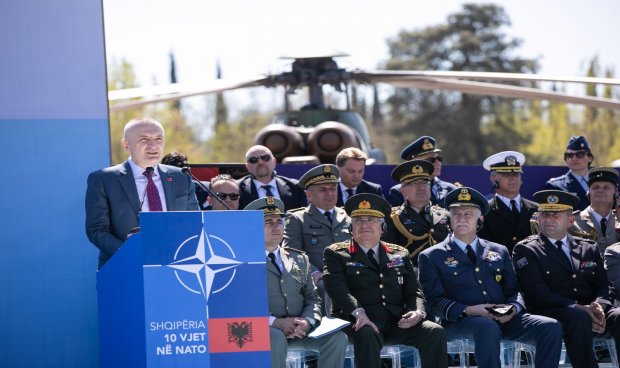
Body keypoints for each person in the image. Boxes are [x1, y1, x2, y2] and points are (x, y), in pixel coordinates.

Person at [418, 187, 562, 368]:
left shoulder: (498, 250)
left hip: (503, 318)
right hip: (460, 322)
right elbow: (434, 302)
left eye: (468, 214)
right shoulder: (431, 255)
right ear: (449, 219)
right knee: (486, 327)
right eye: (456, 214)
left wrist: (513, 308)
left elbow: (514, 289)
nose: (462, 218)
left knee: (550, 326)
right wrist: (470, 310)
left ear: (480, 219)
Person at [323, 193, 447, 368]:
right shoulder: (336, 253)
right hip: (358, 322)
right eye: (359, 220)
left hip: (397, 322)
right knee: (366, 334)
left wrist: (417, 312)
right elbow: (336, 287)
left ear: (383, 227)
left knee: (434, 332)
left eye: (372, 219)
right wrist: (357, 312)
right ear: (351, 227)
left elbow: (414, 290)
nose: (365, 224)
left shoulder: (399, 253)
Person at [513, 190, 620, 368]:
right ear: (538, 219)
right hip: (553, 310)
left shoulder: (588, 247)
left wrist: (600, 306)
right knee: (578, 317)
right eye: (545, 214)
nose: (548, 219)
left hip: (589, 309)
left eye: (556, 215)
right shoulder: (526, 249)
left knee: (618, 315)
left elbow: (604, 285)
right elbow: (536, 292)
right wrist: (577, 307)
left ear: (570, 220)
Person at [244, 196, 347, 368]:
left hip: (300, 329)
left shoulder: (298, 258)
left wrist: (307, 321)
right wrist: (275, 322)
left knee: (336, 338)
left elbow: (312, 297)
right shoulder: (244, 262)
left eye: (279, 221)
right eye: (268, 222)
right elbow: (242, 305)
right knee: (275, 338)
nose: (276, 226)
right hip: (264, 329)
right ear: (252, 227)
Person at [85, 117, 199, 268]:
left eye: (159, 139)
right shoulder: (104, 179)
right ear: (126, 145)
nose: (153, 145)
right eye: (144, 139)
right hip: (125, 267)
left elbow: (194, 221)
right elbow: (97, 230)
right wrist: (129, 251)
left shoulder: (181, 176)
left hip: (176, 265)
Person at [283, 164, 351, 296]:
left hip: (350, 275)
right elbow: (291, 253)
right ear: (309, 195)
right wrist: (314, 272)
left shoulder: (348, 216)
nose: (330, 194)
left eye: (333, 188)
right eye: (322, 190)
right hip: (318, 279)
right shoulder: (297, 218)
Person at [383, 159, 449, 266]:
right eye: (414, 183)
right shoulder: (393, 219)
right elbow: (390, 256)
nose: (421, 187)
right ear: (402, 191)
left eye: (425, 182)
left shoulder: (445, 215)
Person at [478, 151, 538, 253]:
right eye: (506, 174)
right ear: (493, 178)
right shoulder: (484, 211)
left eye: (516, 174)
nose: (513, 178)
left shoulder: (537, 209)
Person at [387, 136, 458, 208]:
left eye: (439, 158)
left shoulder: (451, 189)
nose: (438, 162)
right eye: (431, 160)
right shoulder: (399, 192)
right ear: (414, 163)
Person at [237, 145, 306, 211]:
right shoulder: (237, 190)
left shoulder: (296, 187)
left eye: (265, 157)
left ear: (274, 162)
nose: (260, 162)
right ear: (247, 167)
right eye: (253, 159)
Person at [572, 167, 620, 255]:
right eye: (595, 187)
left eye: (606, 187)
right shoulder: (572, 221)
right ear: (588, 192)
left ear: (616, 192)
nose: (600, 190)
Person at [546, 135, 595, 211]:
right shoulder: (556, 186)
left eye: (580, 154)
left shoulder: (601, 183)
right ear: (566, 159)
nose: (574, 158)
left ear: (590, 158)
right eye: (570, 155)